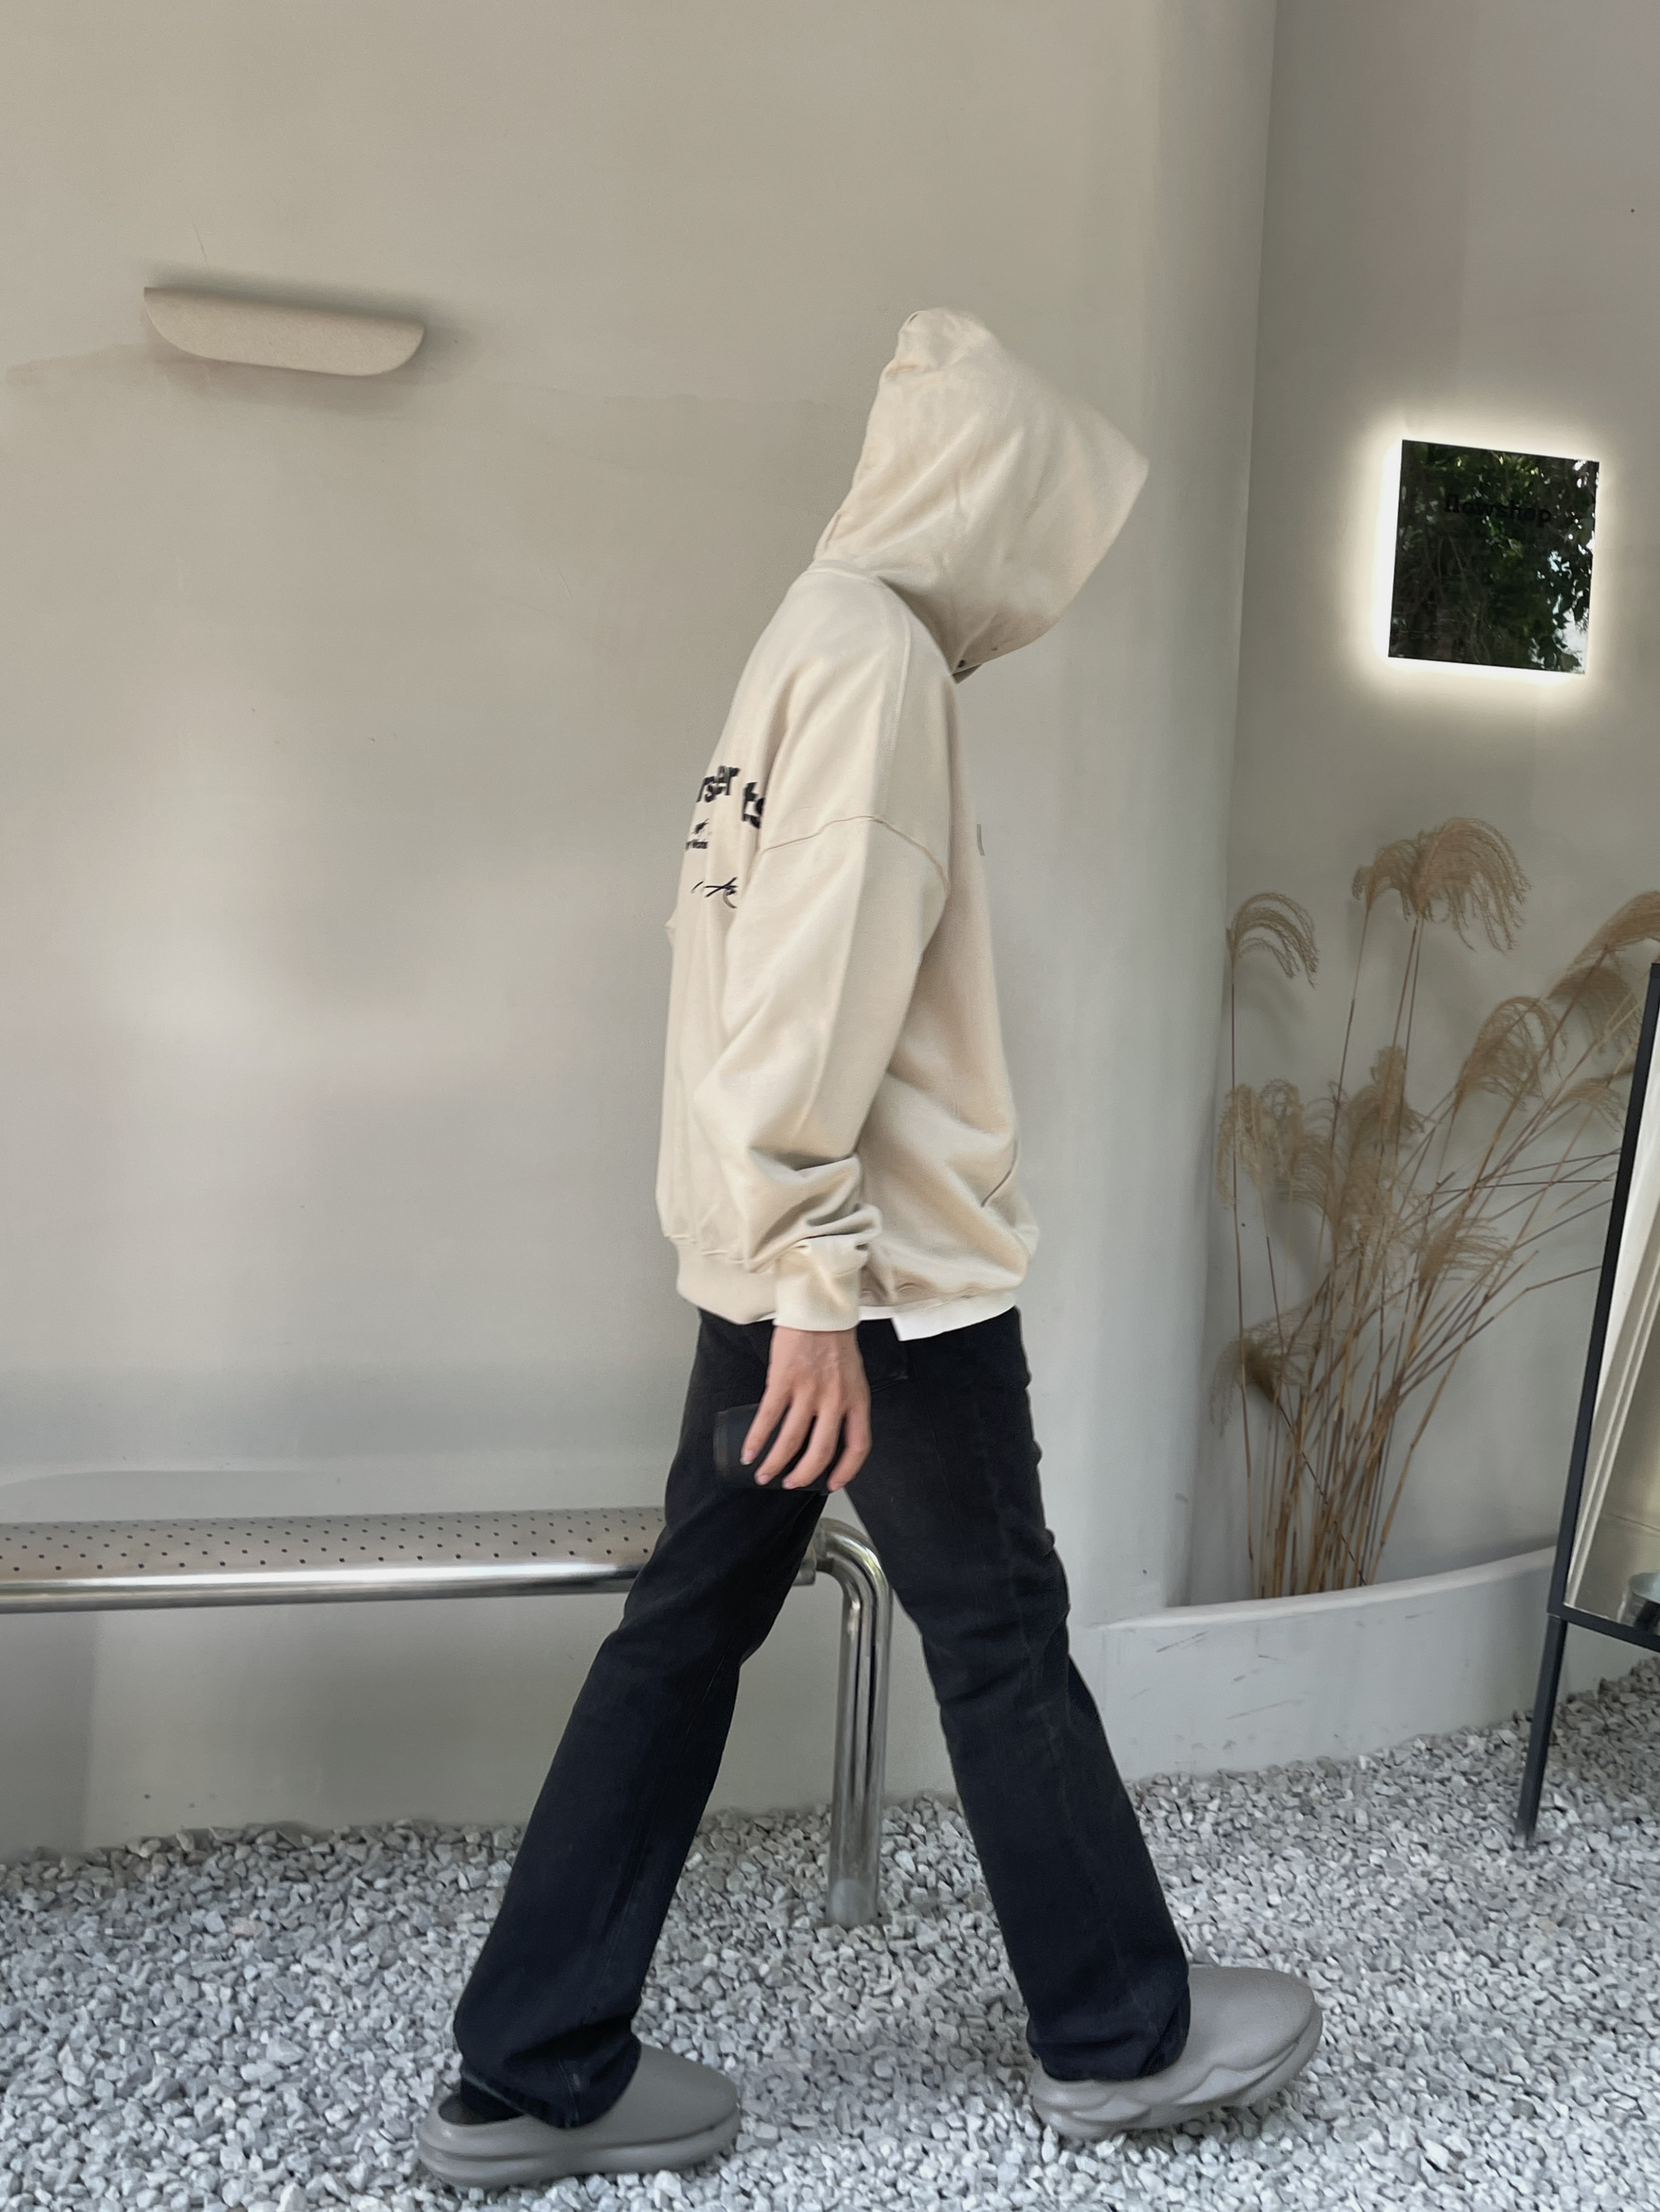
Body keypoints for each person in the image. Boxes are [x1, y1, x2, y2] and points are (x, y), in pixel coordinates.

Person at [416, 309, 1320, 2192]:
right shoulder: (884, 662)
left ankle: (527, 2064)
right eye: (1041, 527)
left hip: (778, 1258)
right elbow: (810, 993)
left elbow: (735, 972)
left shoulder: (804, 632)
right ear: (984, 498)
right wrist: (819, 1285)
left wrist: (771, 1264)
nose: (1044, 577)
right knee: (996, 1632)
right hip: (878, 1276)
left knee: (687, 1628)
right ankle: (1119, 2036)